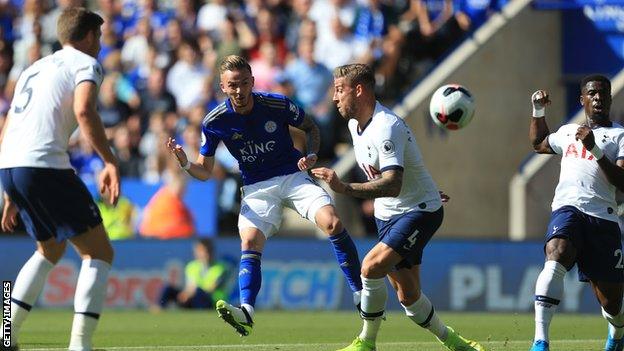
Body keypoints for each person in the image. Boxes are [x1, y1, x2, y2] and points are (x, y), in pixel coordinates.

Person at [165, 55, 363, 337]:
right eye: (233, 85)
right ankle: (246, 311)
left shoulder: (276, 103)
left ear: (252, 82)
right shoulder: (215, 121)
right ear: (223, 86)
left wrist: (312, 153)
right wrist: (185, 163)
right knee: (250, 240)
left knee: (331, 221)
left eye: (244, 83)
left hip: (293, 176)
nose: (239, 90)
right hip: (257, 187)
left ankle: (359, 293)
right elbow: (205, 171)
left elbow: (311, 127)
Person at [311, 63, 485, 351]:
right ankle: (456, 343)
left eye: (340, 90)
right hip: (389, 215)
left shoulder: (386, 126)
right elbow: (405, 167)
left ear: (359, 90)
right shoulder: (355, 125)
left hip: (418, 211)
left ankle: (366, 342)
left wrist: (344, 188)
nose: (334, 98)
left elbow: (392, 183)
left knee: (370, 267)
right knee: (409, 297)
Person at [0, 8, 120, 351]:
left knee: (49, 249)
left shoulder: (32, 68)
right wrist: (109, 160)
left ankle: (5, 334)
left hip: (11, 165)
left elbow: (9, 123)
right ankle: (80, 345)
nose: (100, 43)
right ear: (86, 37)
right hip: (44, 166)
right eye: (98, 36)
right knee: (99, 252)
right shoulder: (85, 63)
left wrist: (9, 190)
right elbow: (84, 110)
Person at [528, 75, 624, 351]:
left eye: (603, 93)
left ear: (609, 98)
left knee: (612, 304)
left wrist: (594, 148)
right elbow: (539, 143)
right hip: (567, 208)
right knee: (556, 254)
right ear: (582, 99)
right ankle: (540, 341)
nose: (598, 98)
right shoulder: (569, 131)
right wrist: (538, 110)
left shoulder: (619, 136)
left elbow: (622, 182)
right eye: (592, 93)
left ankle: (617, 335)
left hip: (602, 218)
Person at [158, 238, 233, 309]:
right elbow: (190, 286)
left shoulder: (221, 267)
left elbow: (211, 289)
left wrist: (191, 293)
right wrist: (185, 294)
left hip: (211, 301)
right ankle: (158, 310)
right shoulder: (192, 266)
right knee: (169, 289)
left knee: (198, 292)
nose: (203, 254)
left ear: (211, 252)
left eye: (205, 251)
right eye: (200, 251)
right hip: (192, 298)